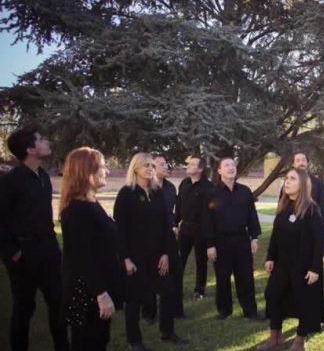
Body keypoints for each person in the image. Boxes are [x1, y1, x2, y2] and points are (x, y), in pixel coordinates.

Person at [0, 126, 69, 351]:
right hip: (23, 254)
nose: (47, 141)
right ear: (31, 149)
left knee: (58, 303)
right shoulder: (11, 181)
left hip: (48, 250)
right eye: (41, 139)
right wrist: (13, 252)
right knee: (24, 308)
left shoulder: (43, 178)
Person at [113, 152, 187, 350]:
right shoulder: (126, 194)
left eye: (152, 166)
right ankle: (134, 341)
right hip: (135, 256)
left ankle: (167, 331)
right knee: (134, 299)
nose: (150, 169)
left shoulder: (157, 193)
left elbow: (165, 225)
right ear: (135, 168)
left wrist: (165, 253)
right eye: (146, 165)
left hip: (158, 254)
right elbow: (120, 230)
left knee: (168, 291)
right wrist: (126, 258)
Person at [59, 147, 123, 350]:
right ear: (87, 171)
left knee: (99, 340)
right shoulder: (77, 211)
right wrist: (101, 294)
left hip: (98, 287)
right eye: (103, 167)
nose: (107, 171)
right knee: (88, 342)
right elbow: (82, 258)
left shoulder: (92, 204)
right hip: (87, 293)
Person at [256, 168, 324, 351]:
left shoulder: (312, 210)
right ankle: (275, 336)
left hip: (303, 266)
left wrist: (315, 269)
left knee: (303, 301)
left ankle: (300, 340)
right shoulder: (283, 207)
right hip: (282, 263)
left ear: (302, 184)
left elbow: (319, 243)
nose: (287, 182)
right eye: (286, 178)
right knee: (273, 294)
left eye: (292, 179)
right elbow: (275, 235)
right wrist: (270, 257)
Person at [203, 157, 263, 320]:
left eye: (233, 165)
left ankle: (250, 310)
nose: (231, 168)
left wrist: (254, 237)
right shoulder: (211, 193)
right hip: (220, 241)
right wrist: (210, 245)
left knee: (245, 276)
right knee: (222, 278)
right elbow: (206, 221)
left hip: (241, 239)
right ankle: (224, 310)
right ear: (219, 171)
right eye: (226, 165)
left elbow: (252, 215)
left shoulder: (245, 192)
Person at [142, 154, 185, 322]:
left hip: (169, 236)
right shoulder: (145, 190)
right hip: (150, 239)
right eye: (162, 164)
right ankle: (149, 313)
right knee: (151, 274)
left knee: (176, 271)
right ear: (152, 167)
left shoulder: (170, 188)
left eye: (166, 164)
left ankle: (176, 310)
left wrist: (175, 225)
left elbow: (171, 212)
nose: (166, 167)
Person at [174, 156, 213, 301]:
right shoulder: (184, 183)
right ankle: (175, 287)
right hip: (185, 227)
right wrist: (175, 223)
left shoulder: (209, 188)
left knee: (200, 261)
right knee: (179, 259)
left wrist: (209, 239)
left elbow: (209, 214)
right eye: (188, 163)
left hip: (201, 229)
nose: (188, 166)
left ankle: (199, 290)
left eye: (192, 164)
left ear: (200, 169)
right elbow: (179, 204)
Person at [288, 152, 324, 228]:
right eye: (297, 160)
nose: (301, 163)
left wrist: (320, 228)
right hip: (290, 228)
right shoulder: (287, 184)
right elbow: (282, 207)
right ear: (293, 164)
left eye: (303, 160)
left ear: (307, 163)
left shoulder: (318, 184)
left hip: (311, 228)